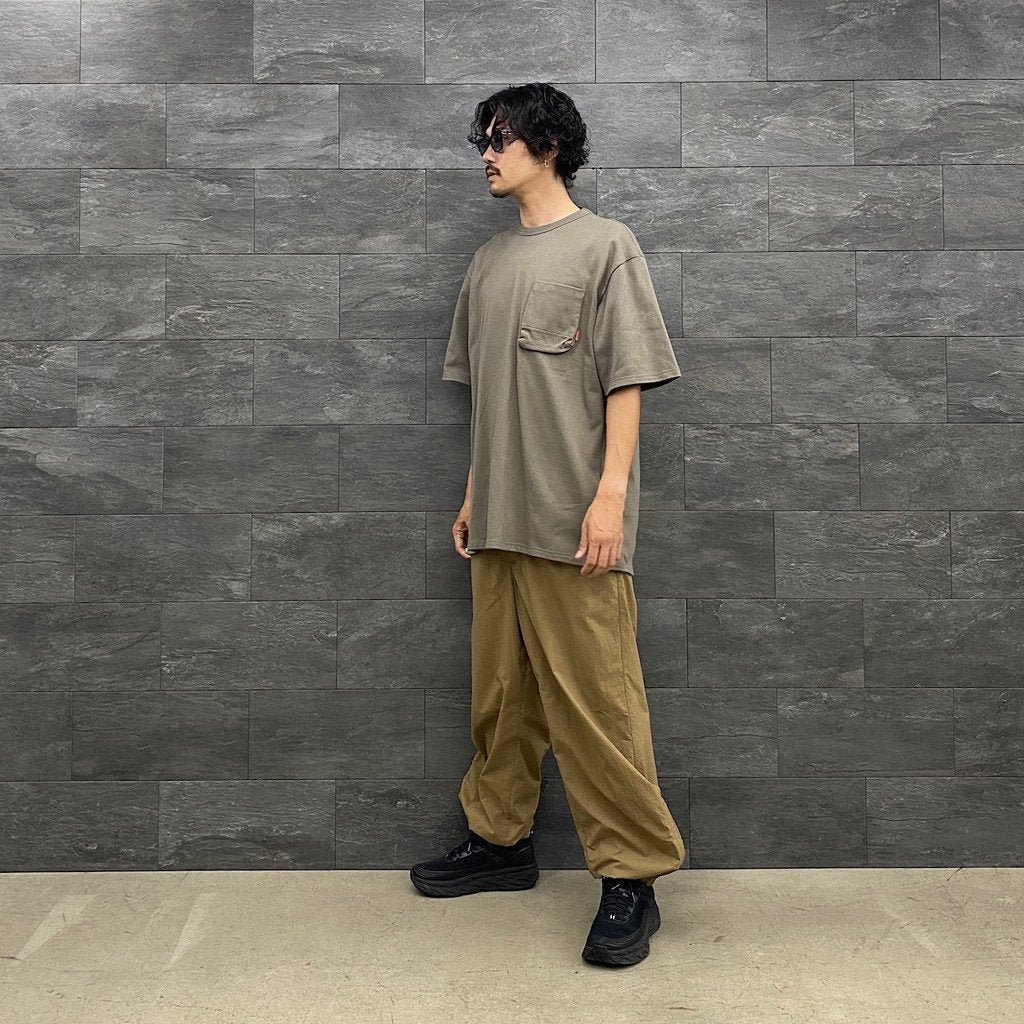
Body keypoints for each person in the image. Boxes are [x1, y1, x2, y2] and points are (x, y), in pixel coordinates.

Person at [409, 83, 686, 968]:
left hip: (575, 520)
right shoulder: (489, 262)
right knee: (503, 696)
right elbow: (491, 397)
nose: (486, 155)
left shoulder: (606, 246)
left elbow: (627, 379)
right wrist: (473, 492)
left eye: (500, 139)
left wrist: (610, 498)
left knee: (599, 701)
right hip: (500, 515)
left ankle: (632, 877)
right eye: (483, 141)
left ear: (548, 145)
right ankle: (500, 842)